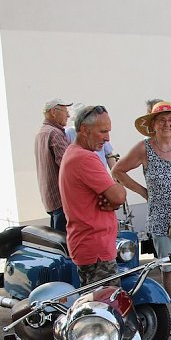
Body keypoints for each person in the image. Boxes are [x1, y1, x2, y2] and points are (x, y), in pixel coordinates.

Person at [111, 101, 171, 335]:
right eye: (162, 120)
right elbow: (117, 170)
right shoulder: (144, 147)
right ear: (153, 124)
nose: (167, 124)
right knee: (168, 268)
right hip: (160, 217)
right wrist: (142, 191)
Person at [59, 105, 127, 285]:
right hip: (96, 248)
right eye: (102, 131)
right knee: (106, 300)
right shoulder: (85, 157)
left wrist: (113, 197)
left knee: (96, 298)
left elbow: (114, 198)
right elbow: (118, 196)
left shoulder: (73, 152)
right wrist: (117, 191)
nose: (107, 138)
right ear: (84, 129)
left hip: (90, 245)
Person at [35, 98, 72, 231]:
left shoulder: (42, 132)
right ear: (53, 112)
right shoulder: (54, 133)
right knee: (65, 241)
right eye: (65, 111)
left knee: (56, 238)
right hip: (61, 199)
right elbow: (68, 166)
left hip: (51, 199)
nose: (68, 115)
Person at [65, 103, 117, 171]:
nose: (107, 138)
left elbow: (109, 155)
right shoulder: (68, 133)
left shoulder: (100, 134)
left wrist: (115, 173)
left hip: (101, 170)